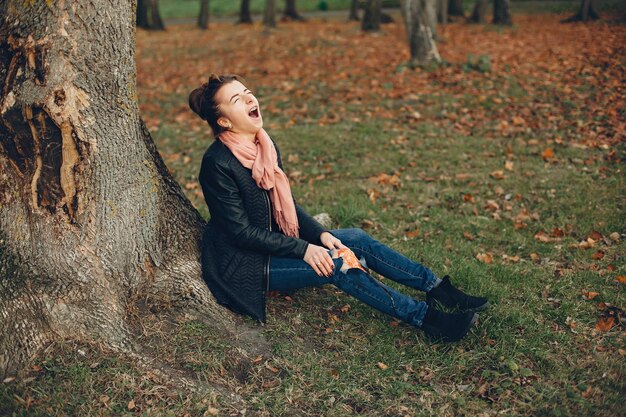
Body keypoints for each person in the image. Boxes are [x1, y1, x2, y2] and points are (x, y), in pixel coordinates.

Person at [189, 74, 489, 342]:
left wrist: (319, 235)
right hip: (245, 265)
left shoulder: (263, 145)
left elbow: (285, 205)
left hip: (274, 243)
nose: (249, 99)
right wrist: (304, 250)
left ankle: (438, 289)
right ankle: (428, 320)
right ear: (224, 121)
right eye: (236, 99)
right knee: (340, 265)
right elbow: (241, 233)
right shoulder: (218, 164)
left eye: (248, 92)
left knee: (354, 238)